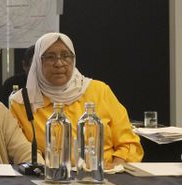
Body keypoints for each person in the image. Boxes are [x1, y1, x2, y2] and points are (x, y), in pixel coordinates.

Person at [10, 32, 143, 168]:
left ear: (74, 59)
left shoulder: (99, 90)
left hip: (103, 176)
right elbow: (20, 150)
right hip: (49, 178)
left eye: (66, 56)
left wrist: (116, 168)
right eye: (50, 57)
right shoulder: (22, 103)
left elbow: (129, 143)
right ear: (38, 62)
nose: (59, 63)